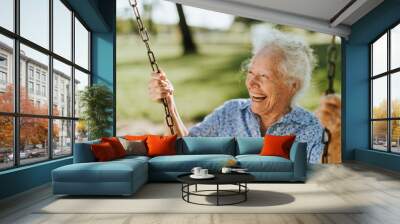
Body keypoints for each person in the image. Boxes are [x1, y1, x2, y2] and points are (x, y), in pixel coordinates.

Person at [148, 30, 324, 163]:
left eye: (264, 76)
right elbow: (184, 148)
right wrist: (169, 105)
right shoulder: (230, 112)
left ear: (292, 85)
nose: (251, 83)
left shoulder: (308, 128)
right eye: (251, 72)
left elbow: (308, 181)